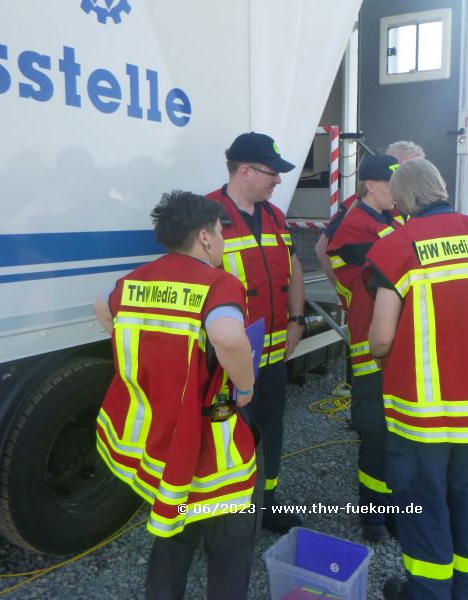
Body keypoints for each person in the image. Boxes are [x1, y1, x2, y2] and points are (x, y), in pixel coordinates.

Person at [365, 159, 468, 600]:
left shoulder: (400, 247)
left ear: (400, 201)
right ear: (442, 188)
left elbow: (379, 339)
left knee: (421, 508)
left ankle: (428, 593)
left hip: (422, 416)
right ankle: (465, 588)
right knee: (467, 503)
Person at [94, 191, 258, 600]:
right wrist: (246, 386)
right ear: (204, 236)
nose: (222, 241)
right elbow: (226, 336)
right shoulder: (218, 283)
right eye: (221, 232)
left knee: (173, 528)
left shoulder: (132, 281)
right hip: (212, 429)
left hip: (160, 435)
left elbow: (102, 306)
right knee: (232, 534)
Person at [206, 132, 306, 534]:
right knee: (227, 435)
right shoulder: (206, 215)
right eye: (272, 172)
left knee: (271, 426)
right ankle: (229, 512)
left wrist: (297, 320)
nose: (278, 180)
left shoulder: (276, 216)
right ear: (244, 171)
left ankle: (268, 501)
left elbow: (294, 268)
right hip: (228, 360)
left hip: (274, 353)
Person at [325, 154, 405, 542]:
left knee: (395, 430)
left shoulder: (391, 219)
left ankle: (392, 507)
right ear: (371, 185)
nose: (398, 192)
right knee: (375, 431)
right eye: (392, 184)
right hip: (371, 344)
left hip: (392, 341)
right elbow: (387, 275)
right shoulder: (356, 225)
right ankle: (373, 512)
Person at [314, 140, 425, 287]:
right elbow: (322, 247)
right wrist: (343, 292)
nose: (414, 178)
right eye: (410, 170)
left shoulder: (415, 204)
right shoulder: (358, 206)